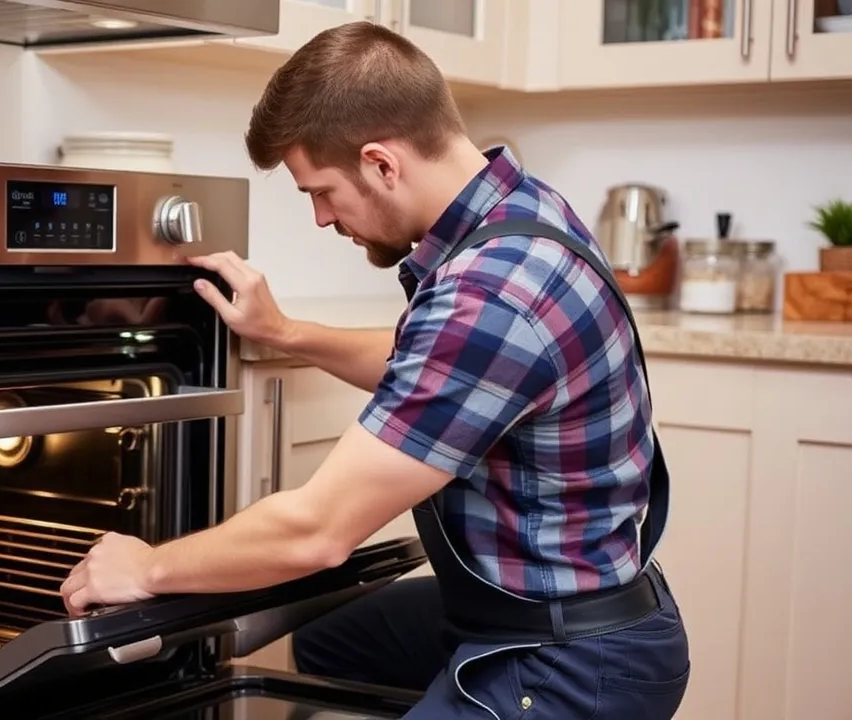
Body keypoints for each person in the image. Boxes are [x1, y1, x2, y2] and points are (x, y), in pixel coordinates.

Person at [58, 20, 690, 719]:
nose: (323, 218)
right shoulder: (520, 211)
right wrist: (286, 332)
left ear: (383, 164)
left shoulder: (490, 292)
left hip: (568, 659)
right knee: (333, 642)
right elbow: (432, 370)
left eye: (320, 192)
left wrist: (146, 567)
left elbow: (317, 531)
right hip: (565, 606)